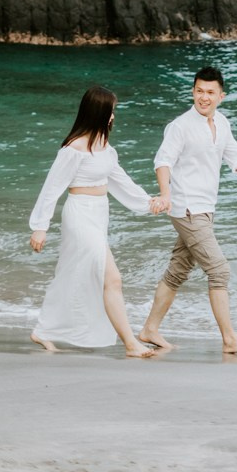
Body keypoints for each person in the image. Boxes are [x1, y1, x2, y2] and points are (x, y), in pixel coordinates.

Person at [138, 64, 237, 355]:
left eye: (210, 93)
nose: (204, 97)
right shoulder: (180, 127)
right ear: (193, 92)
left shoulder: (222, 124)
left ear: (221, 96)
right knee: (219, 270)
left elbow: (236, 157)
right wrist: (166, 194)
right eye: (199, 91)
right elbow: (162, 161)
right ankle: (229, 339)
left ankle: (149, 328)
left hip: (205, 209)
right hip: (186, 207)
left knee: (178, 270)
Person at [28, 84, 162, 357]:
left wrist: (148, 202)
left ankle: (43, 330)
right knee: (112, 278)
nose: (114, 116)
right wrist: (40, 227)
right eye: (111, 111)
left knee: (72, 274)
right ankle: (130, 343)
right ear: (99, 113)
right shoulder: (74, 148)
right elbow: (52, 187)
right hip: (79, 214)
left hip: (99, 214)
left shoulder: (104, 147)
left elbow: (119, 180)